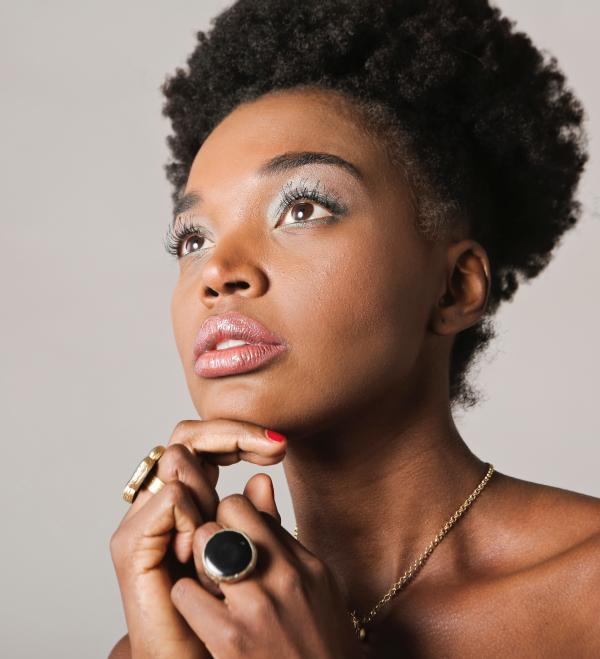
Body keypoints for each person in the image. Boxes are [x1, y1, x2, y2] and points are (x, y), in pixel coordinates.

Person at [109, 0, 600, 656]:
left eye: (303, 207)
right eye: (193, 237)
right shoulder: (186, 635)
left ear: (455, 288)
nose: (217, 272)